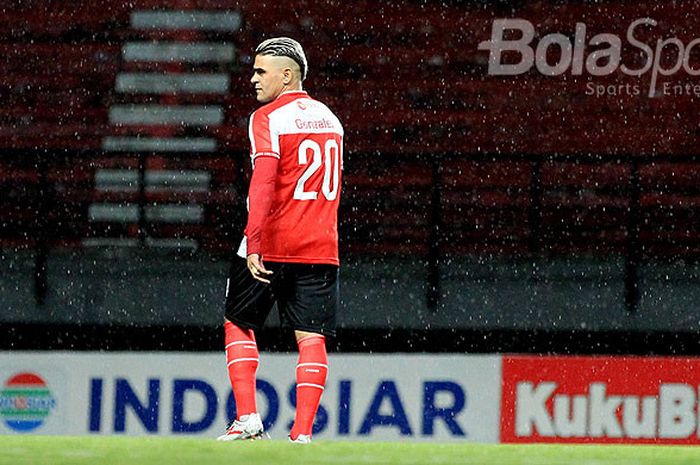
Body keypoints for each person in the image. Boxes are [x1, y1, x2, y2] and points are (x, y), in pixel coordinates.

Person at [217, 37, 343, 444]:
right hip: (320, 245)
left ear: (286, 75)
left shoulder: (266, 118)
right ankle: (302, 434)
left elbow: (265, 181)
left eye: (260, 71)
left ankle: (248, 418)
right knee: (311, 337)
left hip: (271, 242)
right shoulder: (331, 119)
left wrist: (253, 241)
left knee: (238, 321)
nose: (253, 79)